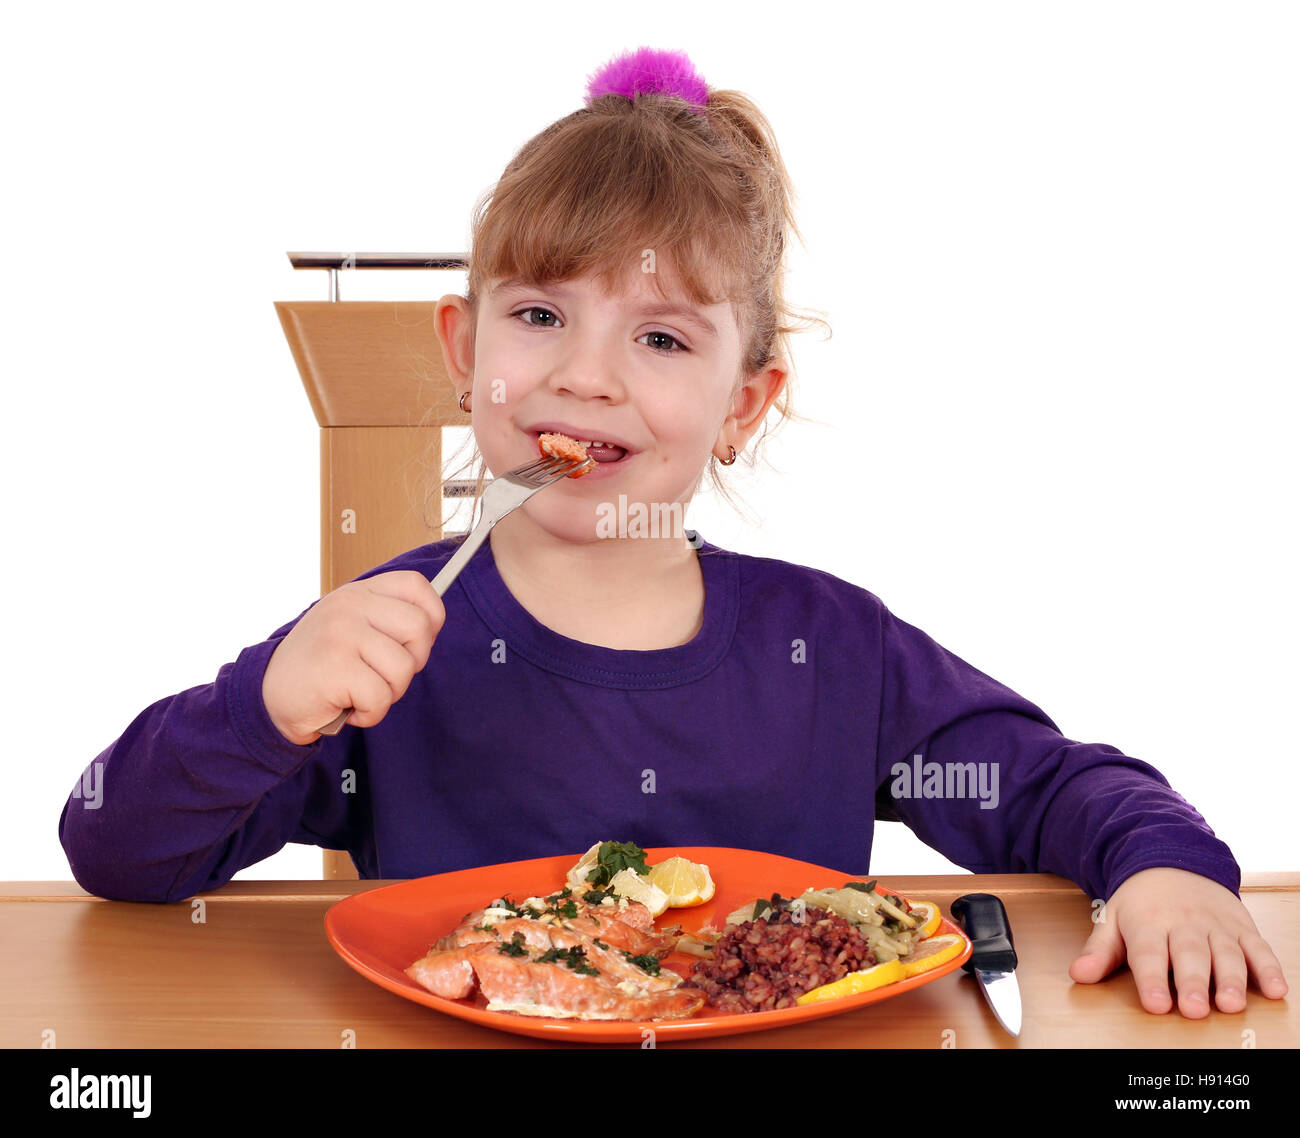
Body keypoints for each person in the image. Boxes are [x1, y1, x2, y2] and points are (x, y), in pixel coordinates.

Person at [60, 46, 1286, 1021]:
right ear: (465, 353)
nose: (586, 376)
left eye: (658, 337)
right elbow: (115, 846)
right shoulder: (380, 645)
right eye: (540, 315)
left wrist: (1166, 868)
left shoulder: (830, 648)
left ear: (742, 405)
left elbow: (1056, 785)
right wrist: (262, 706)